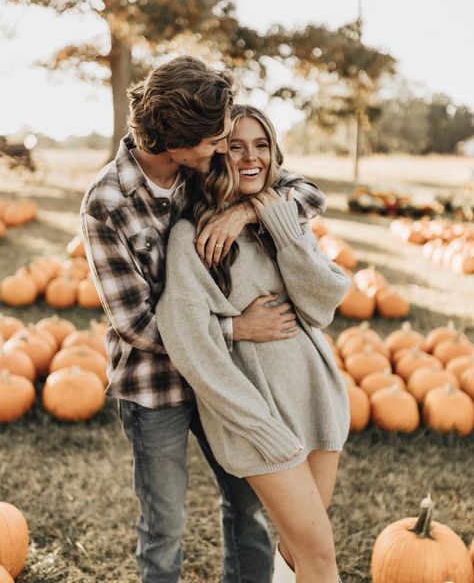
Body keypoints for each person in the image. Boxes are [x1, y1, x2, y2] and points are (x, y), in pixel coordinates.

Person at [80, 57, 327, 583]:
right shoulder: (105, 204)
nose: (223, 146)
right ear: (176, 141)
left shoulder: (207, 168)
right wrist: (234, 329)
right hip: (156, 385)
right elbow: (135, 324)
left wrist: (247, 210)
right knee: (163, 527)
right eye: (215, 139)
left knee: (250, 510)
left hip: (231, 379)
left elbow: (307, 194)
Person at [156, 104, 351, 583]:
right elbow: (189, 344)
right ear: (217, 154)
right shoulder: (190, 237)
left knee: (298, 552)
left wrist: (278, 226)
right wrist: (257, 424)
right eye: (236, 146)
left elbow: (322, 304)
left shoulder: (281, 220)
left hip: (316, 400)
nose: (251, 157)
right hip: (259, 417)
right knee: (321, 558)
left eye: (261, 145)